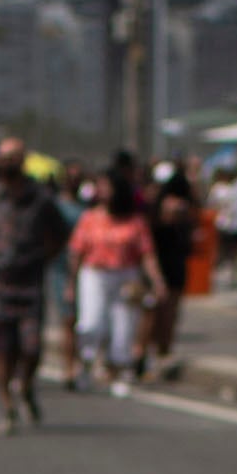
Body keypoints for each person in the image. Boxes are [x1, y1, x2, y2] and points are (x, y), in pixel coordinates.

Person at [0, 139, 67, 440]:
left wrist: (43, 258)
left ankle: (25, 386)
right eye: (4, 157)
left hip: (29, 282)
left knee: (32, 346)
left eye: (14, 157)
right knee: (3, 347)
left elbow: (60, 235)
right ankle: (7, 404)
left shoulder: (40, 199)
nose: (8, 163)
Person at [69, 163, 154, 398]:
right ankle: (85, 363)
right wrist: (71, 282)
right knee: (91, 323)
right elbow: (76, 251)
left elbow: (146, 253)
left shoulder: (134, 221)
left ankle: (118, 371)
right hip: (95, 274)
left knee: (123, 325)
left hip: (125, 275)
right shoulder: (89, 218)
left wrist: (156, 281)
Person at [143, 157, 199, 382]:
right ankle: (149, 352)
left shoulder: (181, 207)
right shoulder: (155, 209)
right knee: (155, 311)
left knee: (169, 311)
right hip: (160, 264)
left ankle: (162, 352)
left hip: (174, 263)